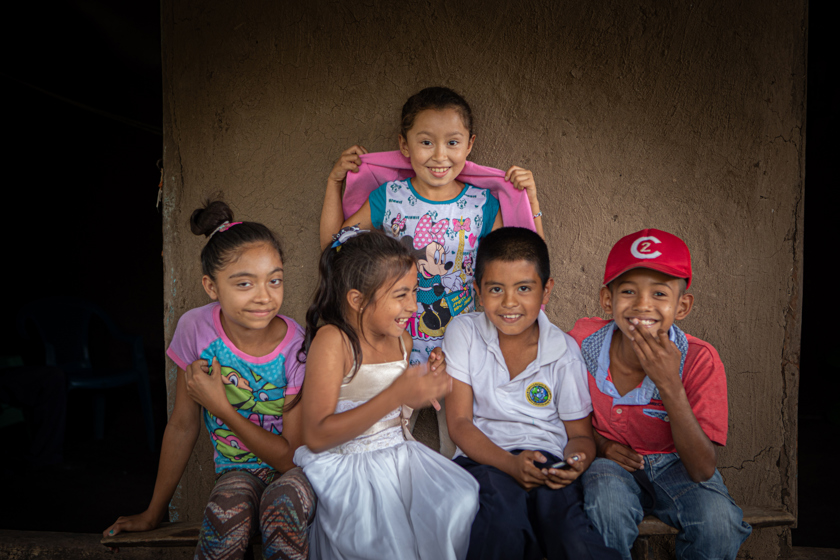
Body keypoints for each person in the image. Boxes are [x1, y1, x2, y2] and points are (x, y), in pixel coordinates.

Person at [320, 86, 544, 456]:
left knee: (459, 449)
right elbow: (335, 248)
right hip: (395, 346)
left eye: (452, 142)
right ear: (404, 145)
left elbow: (525, 265)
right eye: (426, 142)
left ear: (470, 145)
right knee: (381, 446)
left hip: (461, 350)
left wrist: (530, 201)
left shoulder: (483, 205)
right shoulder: (390, 197)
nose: (440, 155)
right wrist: (333, 183)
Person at [104, 201, 315, 560]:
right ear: (211, 287)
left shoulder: (297, 347)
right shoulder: (196, 330)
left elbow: (290, 459)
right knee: (225, 513)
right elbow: (182, 426)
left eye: (274, 280)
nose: (264, 296)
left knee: (283, 502)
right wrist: (154, 513)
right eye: (244, 283)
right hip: (237, 471)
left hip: (295, 473)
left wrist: (223, 408)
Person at [293, 227, 479, 560]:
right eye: (400, 295)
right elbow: (317, 436)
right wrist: (396, 394)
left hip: (400, 460)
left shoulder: (402, 342)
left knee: (460, 501)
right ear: (357, 300)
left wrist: (421, 387)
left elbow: (395, 413)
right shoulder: (334, 342)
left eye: (415, 291)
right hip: (351, 470)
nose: (414, 306)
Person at [570, 228, 752, 560]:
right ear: (607, 299)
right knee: (605, 510)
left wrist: (669, 383)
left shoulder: (699, 359)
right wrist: (601, 444)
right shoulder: (582, 342)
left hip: (677, 465)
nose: (643, 305)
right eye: (628, 291)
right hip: (612, 465)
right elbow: (565, 413)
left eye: (659, 294)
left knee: (719, 524)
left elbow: (701, 469)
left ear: (682, 306)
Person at [444, 227, 621, 560]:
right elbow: (459, 423)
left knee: (571, 537)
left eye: (524, 288)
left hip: (547, 463)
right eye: (496, 289)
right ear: (478, 292)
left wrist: (576, 463)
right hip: (484, 460)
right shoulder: (464, 333)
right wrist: (510, 464)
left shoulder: (563, 351)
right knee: (501, 523)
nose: (509, 302)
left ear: (546, 290)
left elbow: (580, 437)